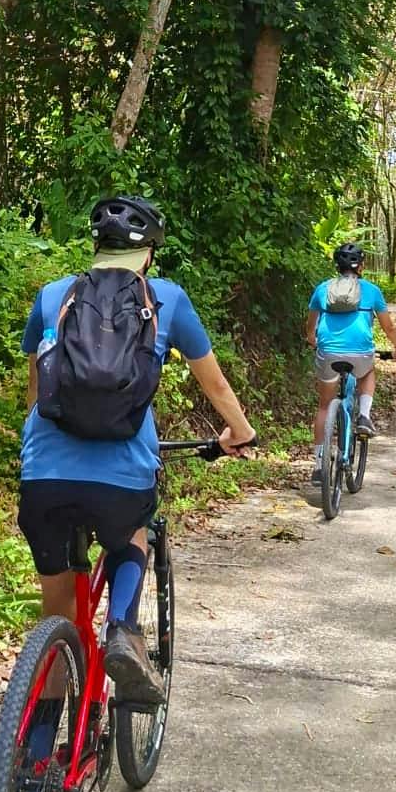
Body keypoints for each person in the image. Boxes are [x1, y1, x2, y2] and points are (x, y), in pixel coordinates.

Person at [19, 194, 256, 708]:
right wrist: (239, 431)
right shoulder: (167, 298)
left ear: (95, 247)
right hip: (122, 479)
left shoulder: (52, 296)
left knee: (57, 615)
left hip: (43, 479)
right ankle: (123, 630)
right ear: (148, 254)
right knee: (133, 535)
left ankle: (35, 759)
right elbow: (213, 385)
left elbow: (37, 395)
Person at [305, 241, 396, 485]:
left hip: (328, 353)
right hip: (360, 354)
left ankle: (319, 466)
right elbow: (388, 327)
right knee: (368, 372)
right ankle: (363, 416)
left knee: (324, 407)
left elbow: (310, 328)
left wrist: (313, 341)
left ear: (337, 265)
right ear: (361, 266)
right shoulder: (371, 291)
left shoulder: (322, 289)